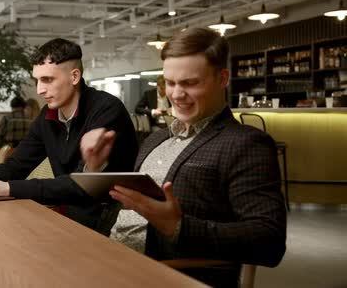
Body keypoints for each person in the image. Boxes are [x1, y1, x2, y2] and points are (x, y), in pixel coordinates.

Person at [80, 28, 286, 287]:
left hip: (161, 275)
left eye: (190, 83)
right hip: (106, 260)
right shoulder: (156, 140)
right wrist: (95, 169)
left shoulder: (246, 144)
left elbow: (269, 241)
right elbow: (119, 206)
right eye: (170, 83)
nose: (176, 95)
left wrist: (178, 227)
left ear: (223, 79)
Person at [0, 38, 138, 231]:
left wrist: (6, 188)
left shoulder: (107, 110)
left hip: (112, 222)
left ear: (74, 76)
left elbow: (81, 185)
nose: (39, 90)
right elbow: (16, 165)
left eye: (48, 79)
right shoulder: (47, 115)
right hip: (74, 217)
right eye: (37, 80)